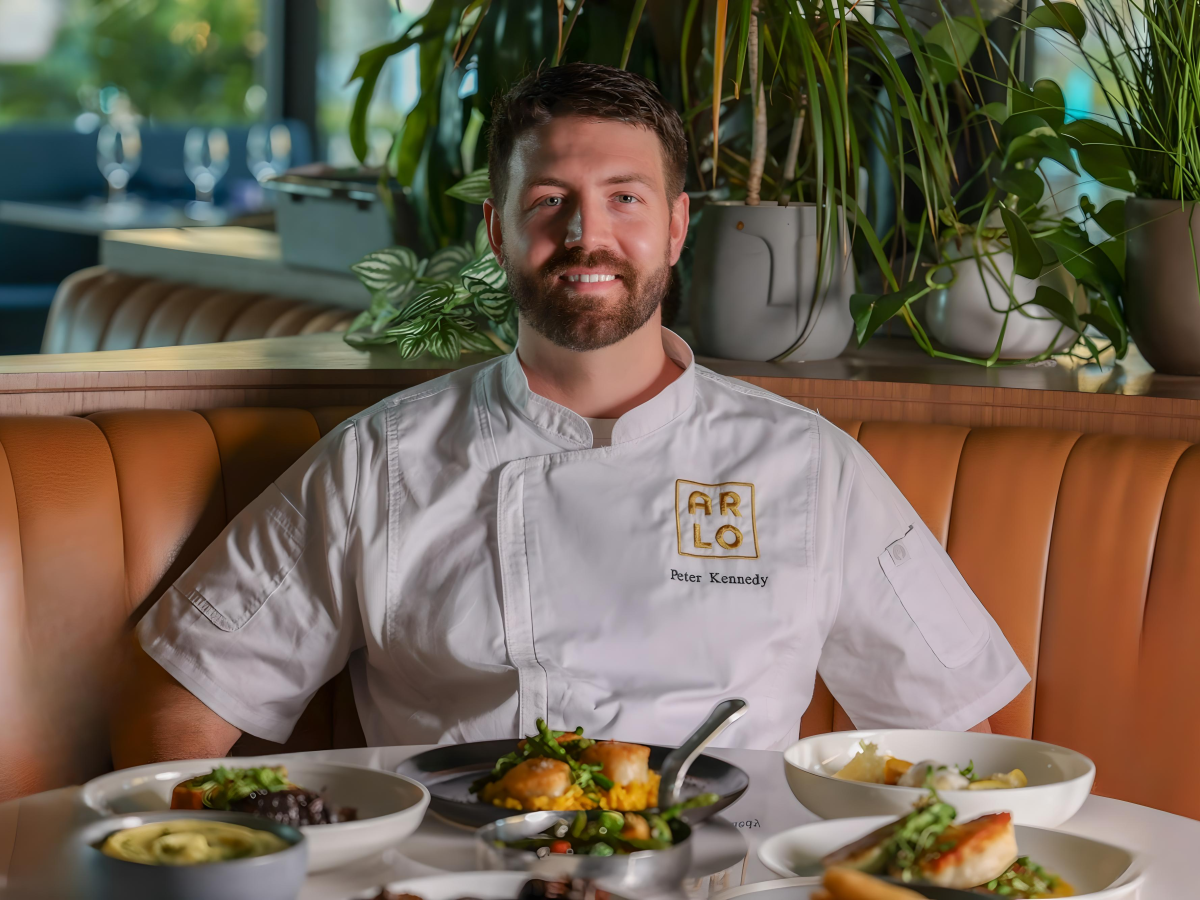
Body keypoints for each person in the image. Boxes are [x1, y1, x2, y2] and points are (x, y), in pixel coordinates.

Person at [112, 63, 1028, 766]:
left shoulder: (808, 467)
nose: (588, 236)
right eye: (550, 201)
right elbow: (181, 700)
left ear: (675, 227)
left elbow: (955, 736)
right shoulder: (381, 462)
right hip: (455, 881)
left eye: (624, 199)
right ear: (499, 231)